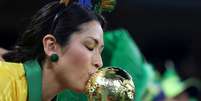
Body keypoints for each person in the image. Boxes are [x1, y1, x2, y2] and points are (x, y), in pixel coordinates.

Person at [0, 0, 110, 100]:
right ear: (51, 46)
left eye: (100, 52)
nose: (99, 63)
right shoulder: (4, 83)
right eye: (90, 46)